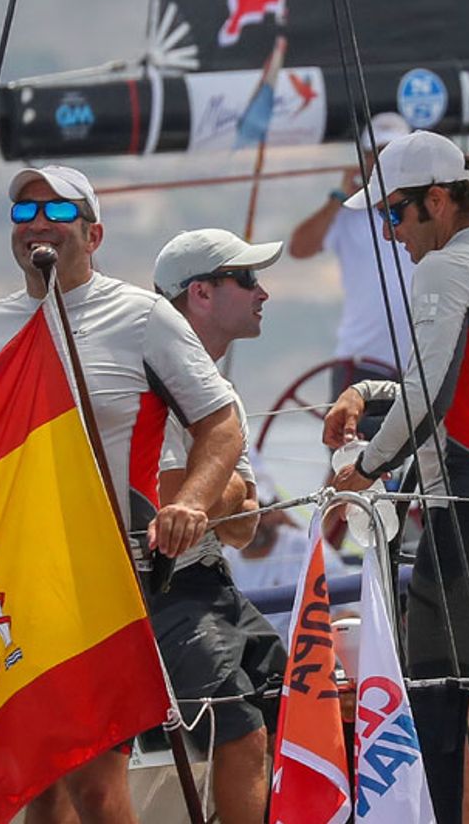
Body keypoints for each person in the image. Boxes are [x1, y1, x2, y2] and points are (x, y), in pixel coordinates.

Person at [0, 165, 244, 824]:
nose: (37, 224)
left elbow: (221, 421)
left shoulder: (142, 316)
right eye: (24, 213)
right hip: (13, 583)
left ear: (94, 232)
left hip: (106, 579)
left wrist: (193, 503)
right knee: (32, 783)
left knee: (94, 781)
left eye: (58, 211)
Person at [322, 130, 469, 824]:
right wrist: (367, 396)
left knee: (441, 709)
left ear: (438, 201)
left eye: (394, 213)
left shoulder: (443, 270)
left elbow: (431, 396)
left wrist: (362, 469)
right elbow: (453, 381)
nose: (390, 234)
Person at [147, 228, 290, 824]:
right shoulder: (148, 380)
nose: (264, 293)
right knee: (238, 732)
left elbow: (242, 528)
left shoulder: (218, 392)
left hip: (213, 583)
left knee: (301, 701)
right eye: (248, 279)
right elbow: (173, 500)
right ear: (200, 293)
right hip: (164, 588)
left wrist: (218, 491)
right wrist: (224, 488)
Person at [287, 111, 417, 402]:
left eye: (390, 153)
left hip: (424, 365)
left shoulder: (431, 209)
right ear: (363, 158)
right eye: (374, 153)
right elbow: (299, 248)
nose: (381, 162)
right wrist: (337, 197)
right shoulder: (346, 211)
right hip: (362, 363)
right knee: (352, 448)